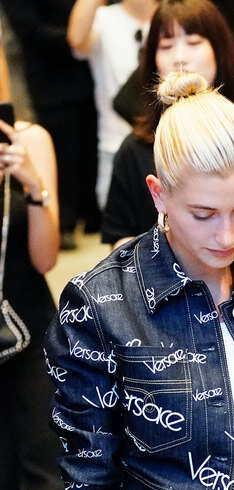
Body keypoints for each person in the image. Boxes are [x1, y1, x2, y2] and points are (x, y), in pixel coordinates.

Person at [45, 71, 234, 490]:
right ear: (159, 194)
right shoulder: (101, 306)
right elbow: (90, 472)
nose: (227, 236)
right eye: (203, 215)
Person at [102, 0, 234, 253]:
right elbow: (122, 247)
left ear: (219, 51)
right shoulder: (134, 150)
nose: (180, 58)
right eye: (166, 46)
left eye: (193, 42)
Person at [2, 0, 100, 250]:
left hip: (88, 72)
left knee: (88, 147)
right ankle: (63, 222)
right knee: (59, 150)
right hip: (48, 79)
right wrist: (73, 41)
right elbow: (29, 30)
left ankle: (91, 212)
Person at [0, 94, 62, 486]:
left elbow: (46, 259)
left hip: (30, 331)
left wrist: (33, 187)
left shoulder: (30, 140)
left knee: (47, 472)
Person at [67, 0, 158, 209]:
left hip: (171, 146)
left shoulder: (173, 15)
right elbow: (76, 38)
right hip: (114, 146)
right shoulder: (102, 18)